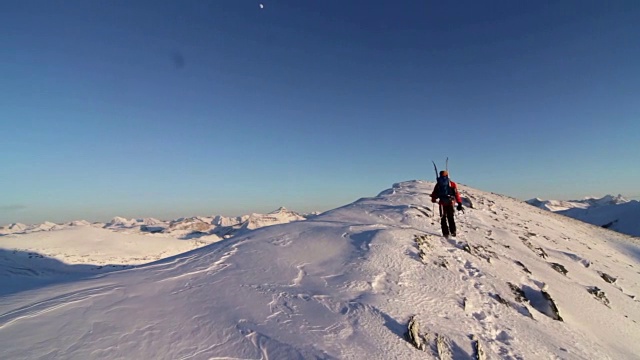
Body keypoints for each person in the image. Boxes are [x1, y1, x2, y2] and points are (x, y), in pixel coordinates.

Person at [431, 170, 464, 237]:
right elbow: (456, 194)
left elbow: (435, 193)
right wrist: (459, 203)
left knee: (443, 218)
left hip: (442, 203)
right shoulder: (451, 184)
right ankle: (453, 232)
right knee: (450, 217)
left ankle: (445, 233)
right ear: (447, 175)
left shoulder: (438, 184)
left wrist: (433, 199)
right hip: (450, 202)